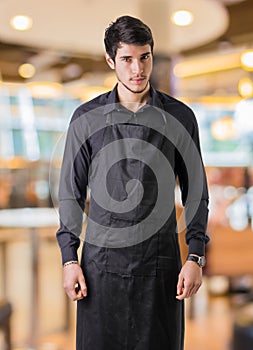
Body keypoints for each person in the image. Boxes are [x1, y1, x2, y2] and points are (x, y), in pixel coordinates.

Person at [56, 15, 209, 350]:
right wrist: (69, 259)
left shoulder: (180, 117)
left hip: (160, 269)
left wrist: (195, 255)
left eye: (145, 57)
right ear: (111, 61)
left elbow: (197, 191)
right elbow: (70, 194)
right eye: (126, 59)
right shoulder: (86, 119)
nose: (137, 69)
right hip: (101, 270)